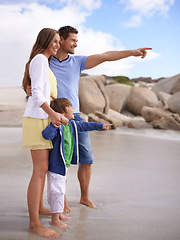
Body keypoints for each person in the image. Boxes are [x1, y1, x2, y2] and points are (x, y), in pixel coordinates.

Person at [26, 25, 152, 209]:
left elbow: (105, 56)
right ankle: (62, 201)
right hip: (53, 117)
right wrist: (27, 89)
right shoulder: (45, 60)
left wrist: (132, 52)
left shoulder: (77, 61)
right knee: (58, 160)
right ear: (61, 39)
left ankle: (85, 196)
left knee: (86, 158)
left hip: (74, 115)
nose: (76, 44)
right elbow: (31, 84)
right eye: (73, 40)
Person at [22, 28, 68, 238]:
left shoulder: (42, 61)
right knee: (39, 171)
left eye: (59, 41)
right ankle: (34, 224)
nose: (57, 44)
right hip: (38, 119)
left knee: (42, 169)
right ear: (45, 40)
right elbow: (38, 93)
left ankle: (40, 208)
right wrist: (52, 114)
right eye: (54, 41)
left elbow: (36, 89)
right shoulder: (40, 59)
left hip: (41, 118)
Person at [42, 98, 111, 228]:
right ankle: (55, 219)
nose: (74, 109)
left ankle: (59, 214)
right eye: (70, 106)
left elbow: (84, 125)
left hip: (64, 165)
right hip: (56, 165)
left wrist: (100, 126)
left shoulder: (71, 124)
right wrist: (53, 125)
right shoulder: (58, 126)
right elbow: (46, 135)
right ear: (62, 112)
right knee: (56, 191)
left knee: (59, 190)